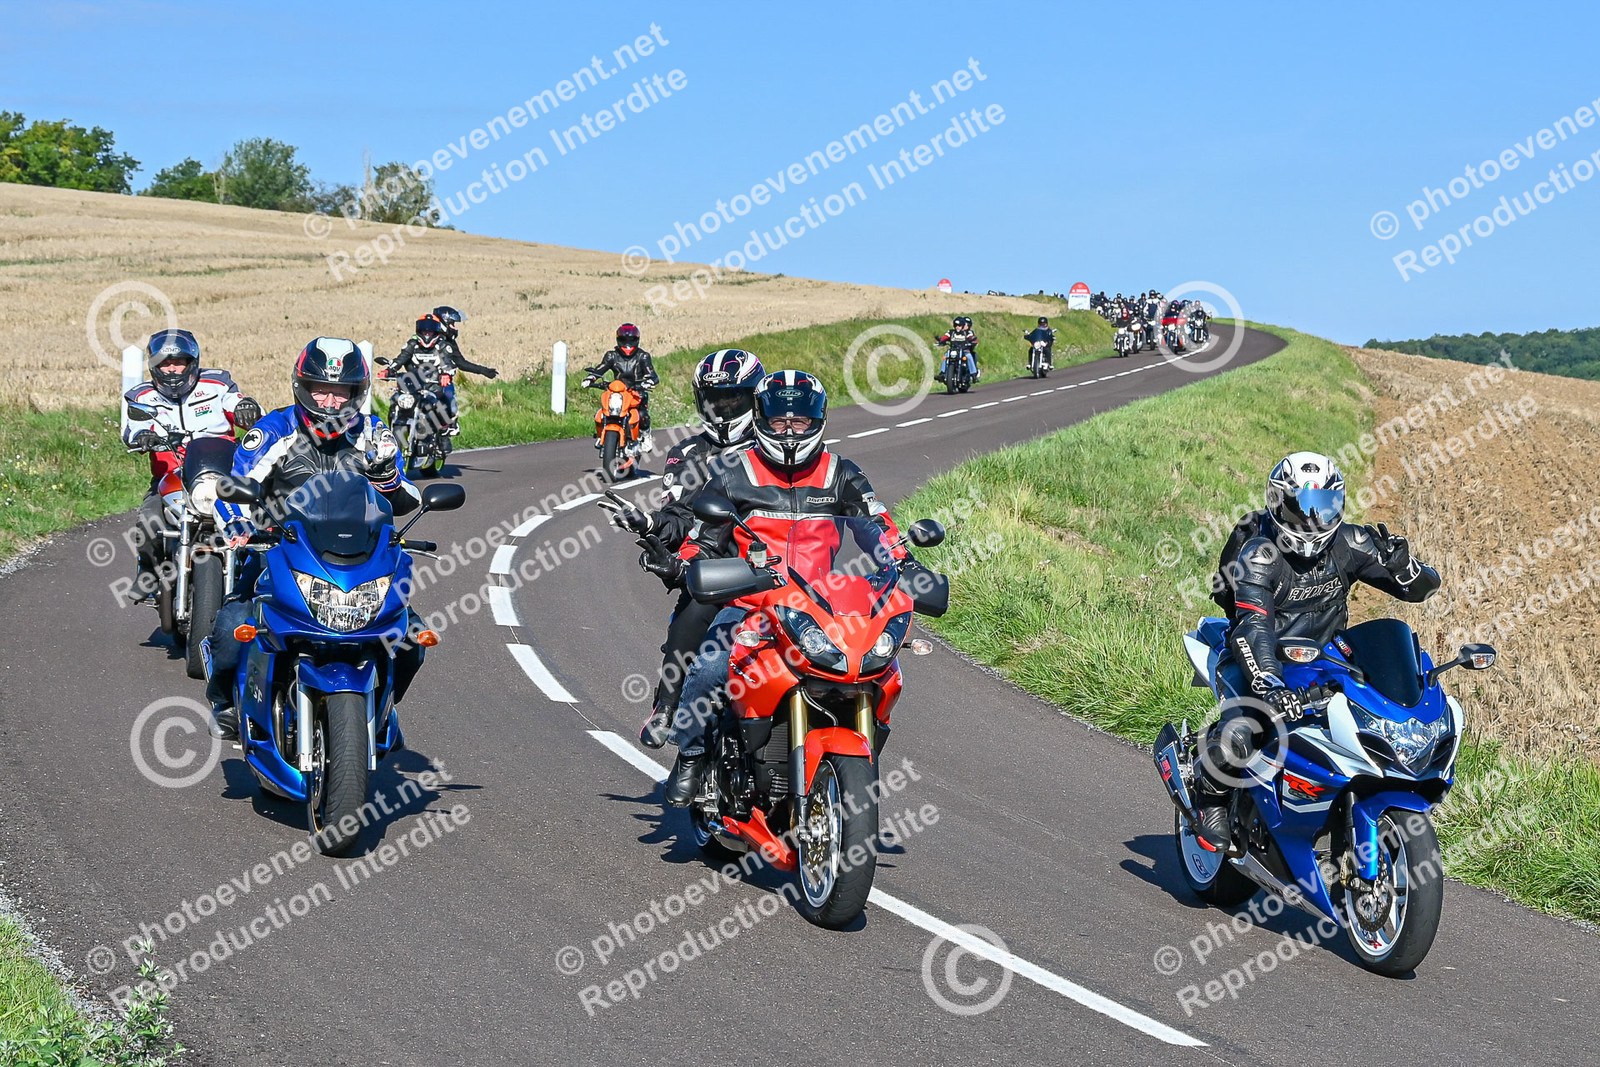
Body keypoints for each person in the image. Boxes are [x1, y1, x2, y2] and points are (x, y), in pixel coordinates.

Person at [654, 370, 925, 806]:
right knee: (710, 667)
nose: (789, 431)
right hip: (752, 605)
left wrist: (904, 563)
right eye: (779, 421)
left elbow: (878, 527)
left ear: (818, 420)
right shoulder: (734, 473)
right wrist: (686, 565)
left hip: (821, 608)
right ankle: (691, 756)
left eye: (800, 421)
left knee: (880, 671)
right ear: (761, 419)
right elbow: (702, 540)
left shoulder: (841, 474)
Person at [1194, 452, 1440, 848]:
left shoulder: (1350, 543)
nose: (1312, 520)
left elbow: (1421, 591)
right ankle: (1209, 799)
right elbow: (1253, 626)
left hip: (1325, 660)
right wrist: (1268, 683)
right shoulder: (1259, 555)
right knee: (1244, 730)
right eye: (1300, 507)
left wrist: (1404, 567)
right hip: (1258, 655)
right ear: (1277, 503)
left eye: (1324, 507)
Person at [205, 337, 422, 740]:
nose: (331, 401)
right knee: (234, 624)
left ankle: (381, 708)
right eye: (321, 389)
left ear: (356, 393)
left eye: (342, 392)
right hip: (280, 549)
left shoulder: (374, 433)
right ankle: (227, 703)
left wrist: (387, 474)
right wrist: (238, 527)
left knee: (411, 636)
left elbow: (408, 497)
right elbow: (232, 488)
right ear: (303, 387)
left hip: (356, 557)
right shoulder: (275, 429)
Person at [597, 349, 766, 749]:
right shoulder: (688, 454)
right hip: (714, 566)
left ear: (754, 398)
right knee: (693, 605)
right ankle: (667, 706)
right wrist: (649, 523)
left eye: (732, 399)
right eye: (713, 400)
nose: (722, 409)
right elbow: (679, 518)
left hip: (774, 565)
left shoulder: (773, 448)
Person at [122, 328, 258, 599]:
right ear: (154, 366)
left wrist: (248, 409)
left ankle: (260, 579)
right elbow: (132, 428)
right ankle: (148, 571)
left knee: (263, 519)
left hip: (222, 473)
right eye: (165, 363)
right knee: (149, 522)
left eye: (178, 362)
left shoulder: (218, 384)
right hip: (172, 477)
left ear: (192, 362)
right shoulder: (141, 396)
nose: (172, 369)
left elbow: (238, 403)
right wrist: (143, 435)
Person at [389, 314, 499, 436]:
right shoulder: (413, 344)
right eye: (452, 324)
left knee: (447, 393)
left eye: (430, 331)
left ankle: (449, 423)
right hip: (415, 383)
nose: (427, 334)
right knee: (395, 399)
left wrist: (482, 371)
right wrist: (390, 369)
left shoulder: (445, 345)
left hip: (436, 383)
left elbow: (455, 363)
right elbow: (401, 358)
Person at [585, 323, 659, 452]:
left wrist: (649, 382)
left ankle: (646, 435)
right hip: (618, 391)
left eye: (631, 340)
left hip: (637, 391)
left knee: (643, 415)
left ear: (637, 340)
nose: (627, 344)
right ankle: (601, 434)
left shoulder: (643, 356)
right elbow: (600, 369)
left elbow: (652, 374)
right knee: (603, 412)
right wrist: (591, 378)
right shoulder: (611, 355)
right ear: (618, 340)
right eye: (624, 340)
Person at [934, 316, 979, 382]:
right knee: (945, 356)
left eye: (959, 325)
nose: (957, 327)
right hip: (953, 350)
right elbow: (945, 337)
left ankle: (973, 374)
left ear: (962, 326)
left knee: (969, 356)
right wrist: (941, 340)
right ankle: (942, 373)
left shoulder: (967, 333)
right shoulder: (951, 332)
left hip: (964, 351)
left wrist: (973, 341)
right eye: (956, 325)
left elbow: (972, 338)